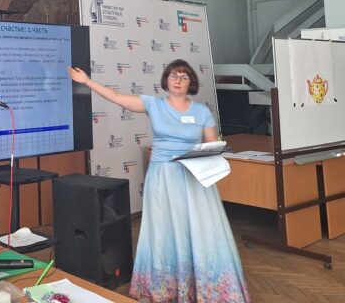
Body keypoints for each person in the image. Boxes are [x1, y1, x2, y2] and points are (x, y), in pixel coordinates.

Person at [68, 59, 250, 303]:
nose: (178, 80)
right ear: (166, 80)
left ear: (191, 83)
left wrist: (209, 153)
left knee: (200, 230)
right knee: (164, 230)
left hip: (193, 178)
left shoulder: (202, 112)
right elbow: (117, 97)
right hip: (162, 178)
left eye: (183, 77)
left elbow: (213, 146)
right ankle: (166, 288)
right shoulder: (153, 104)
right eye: (173, 75)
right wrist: (87, 81)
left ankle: (205, 288)